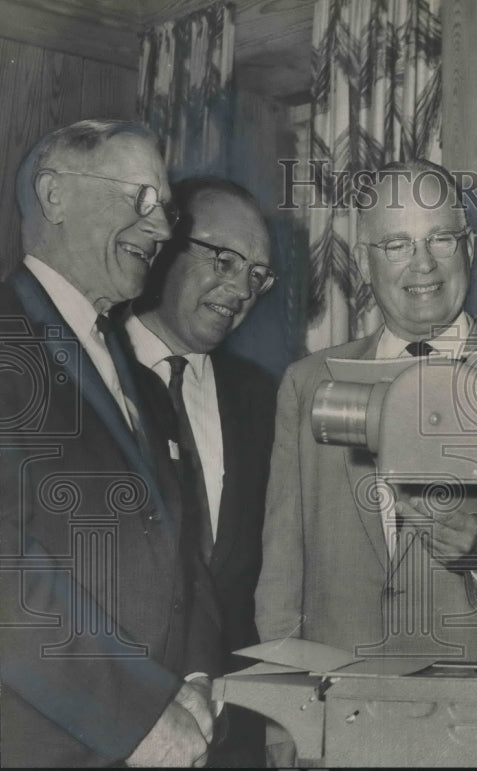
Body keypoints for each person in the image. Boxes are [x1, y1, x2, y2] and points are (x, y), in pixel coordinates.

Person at [255, 160, 477, 758]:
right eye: (397, 244)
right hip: (342, 726)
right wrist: (283, 719)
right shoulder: (308, 385)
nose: (423, 264)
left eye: (440, 238)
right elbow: (282, 576)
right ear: (365, 260)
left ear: (471, 246)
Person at [0, 119, 221, 766]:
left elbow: (177, 540)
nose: (160, 231)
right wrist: (140, 717)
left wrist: (199, 675)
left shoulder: (127, 360)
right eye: (140, 199)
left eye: (167, 209)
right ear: (55, 196)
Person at [122, 177, 279, 766]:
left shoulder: (262, 397)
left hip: (232, 729)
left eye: (257, 275)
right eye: (225, 260)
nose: (240, 289)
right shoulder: (84, 375)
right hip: (113, 723)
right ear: (165, 247)